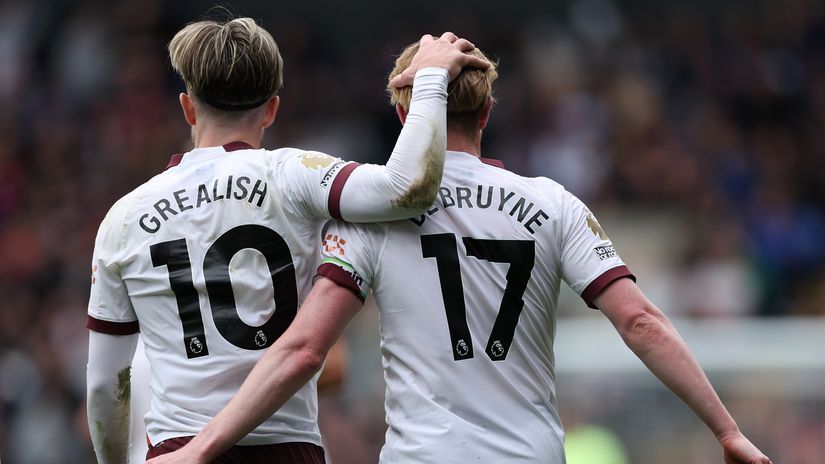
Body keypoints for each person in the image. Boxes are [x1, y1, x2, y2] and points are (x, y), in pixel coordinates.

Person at [145, 41, 772, 464]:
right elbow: (640, 321)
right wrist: (727, 430)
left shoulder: (370, 217)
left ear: (404, 110)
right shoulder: (552, 204)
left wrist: (203, 447)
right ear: (489, 110)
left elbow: (306, 349)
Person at [85, 14, 489, 463]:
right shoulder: (297, 177)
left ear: (187, 107)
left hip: (177, 449)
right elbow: (408, 188)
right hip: (287, 447)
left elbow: (106, 386)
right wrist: (431, 77)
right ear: (273, 109)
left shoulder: (124, 218)